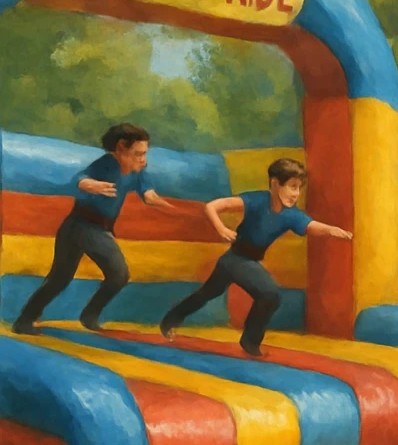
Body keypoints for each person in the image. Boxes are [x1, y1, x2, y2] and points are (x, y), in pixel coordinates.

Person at [159, 159, 351, 356]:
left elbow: (312, 226)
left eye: (299, 189)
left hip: (237, 261)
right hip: (236, 259)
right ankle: (249, 341)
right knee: (270, 294)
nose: (296, 194)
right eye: (292, 187)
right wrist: (221, 228)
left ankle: (171, 319)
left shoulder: (291, 215)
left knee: (206, 294)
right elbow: (212, 206)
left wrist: (332, 230)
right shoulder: (257, 200)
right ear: (276, 184)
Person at [12, 122, 177, 336]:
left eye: (145, 154)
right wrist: (88, 184)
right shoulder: (106, 164)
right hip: (83, 226)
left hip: (86, 228)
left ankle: (34, 319)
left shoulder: (138, 171)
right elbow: (80, 178)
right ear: (120, 149)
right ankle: (74, 316)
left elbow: (150, 196)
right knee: (116, 274)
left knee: (64, 278)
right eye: (138, 154)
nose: (143, 160)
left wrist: (175, 211)